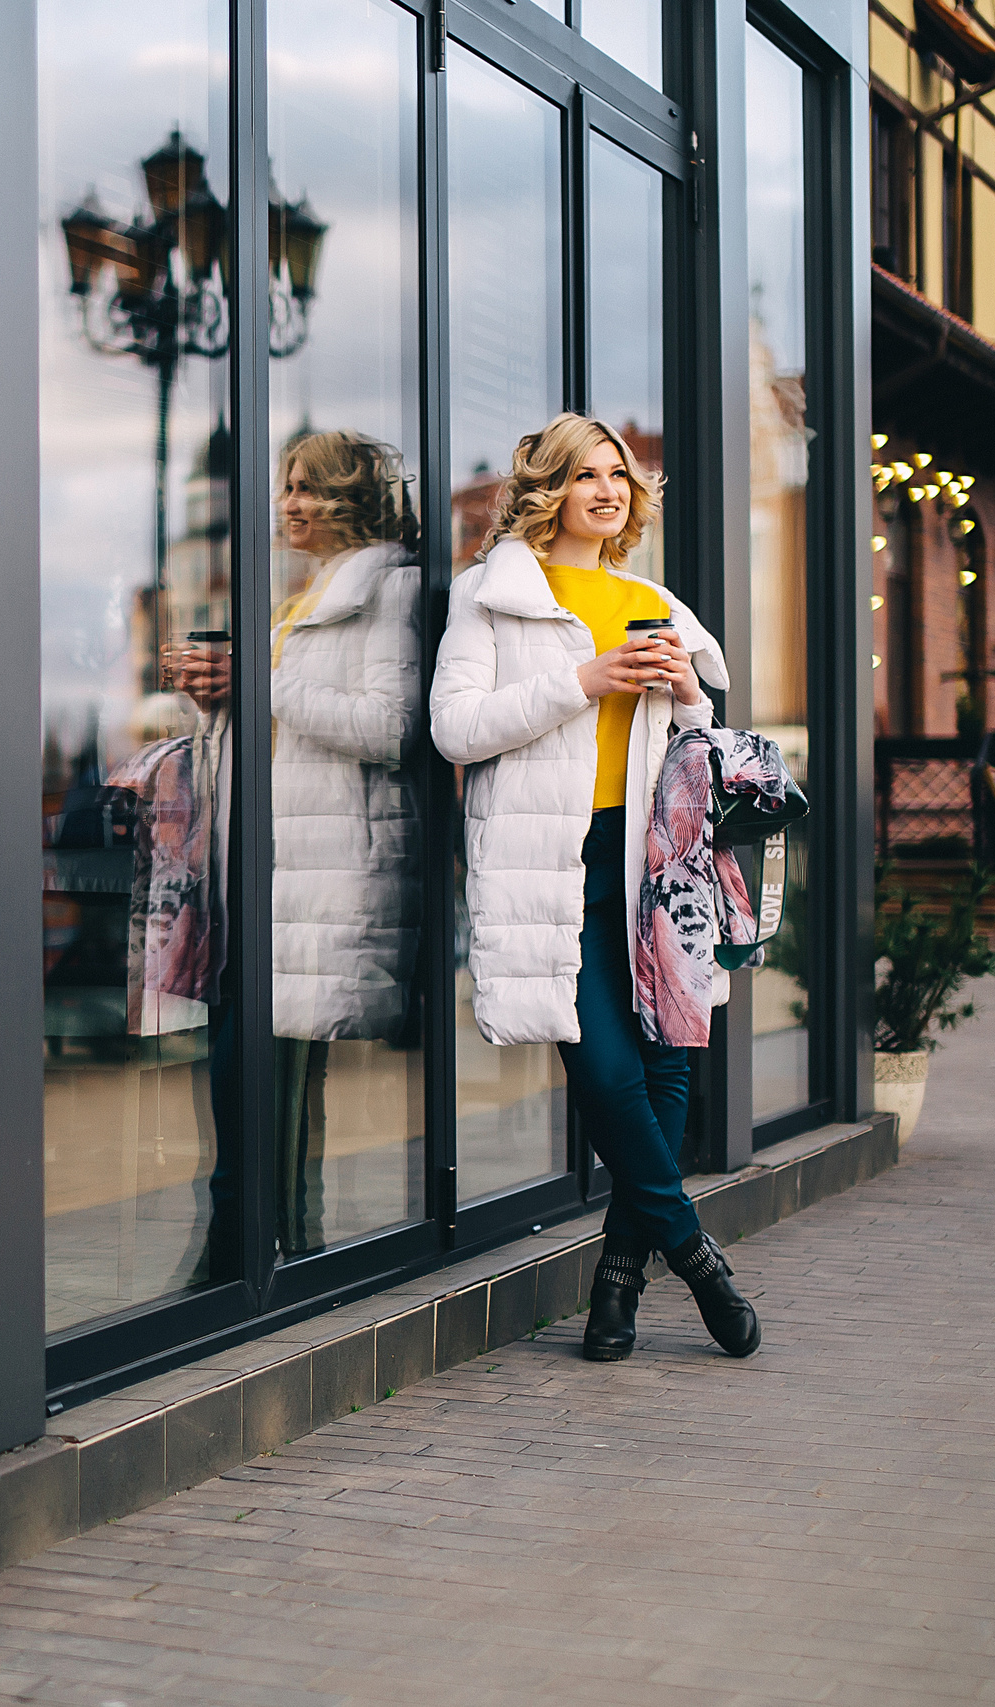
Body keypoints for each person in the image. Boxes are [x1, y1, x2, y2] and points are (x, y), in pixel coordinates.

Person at [428, 413, 760, 1362]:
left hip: (654, 867)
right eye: (585, 475)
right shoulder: (491, 597)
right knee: (606, 1072)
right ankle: (698, 1260)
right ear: (547, 490)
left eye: (618, 473)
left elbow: (698, 743)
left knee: (663, 1075)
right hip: (553, 862)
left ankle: (615, 1286)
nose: (608, 489)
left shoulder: (651, 597)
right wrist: (587, 677)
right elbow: (458, 728)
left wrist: (682, 691)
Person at [268, 431, 421, 1249]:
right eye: (284, 486)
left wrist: (264, 682)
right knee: (286, 1066)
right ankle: (286, 1235)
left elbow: (392, 728)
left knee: (298, 1063)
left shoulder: (387, 590)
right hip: (295, 857)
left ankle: (297, 1244)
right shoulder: (311, 591)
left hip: (339, 863)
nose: (286, 502)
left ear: (347, 497)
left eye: (304, 486)